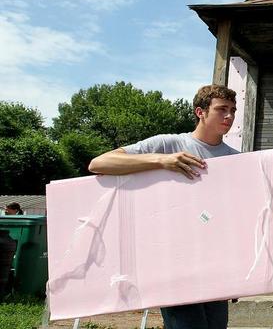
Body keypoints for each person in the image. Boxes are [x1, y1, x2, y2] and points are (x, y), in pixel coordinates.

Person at [89, 84, 239, 329]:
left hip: (216, 266)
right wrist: (161, 160)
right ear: (200, 112)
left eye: (233, 110)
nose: (229, 116)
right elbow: (99, 163)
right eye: (222, 109)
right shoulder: (169, 144)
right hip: (174, 264)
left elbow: (235, 217)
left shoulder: (236, 158)